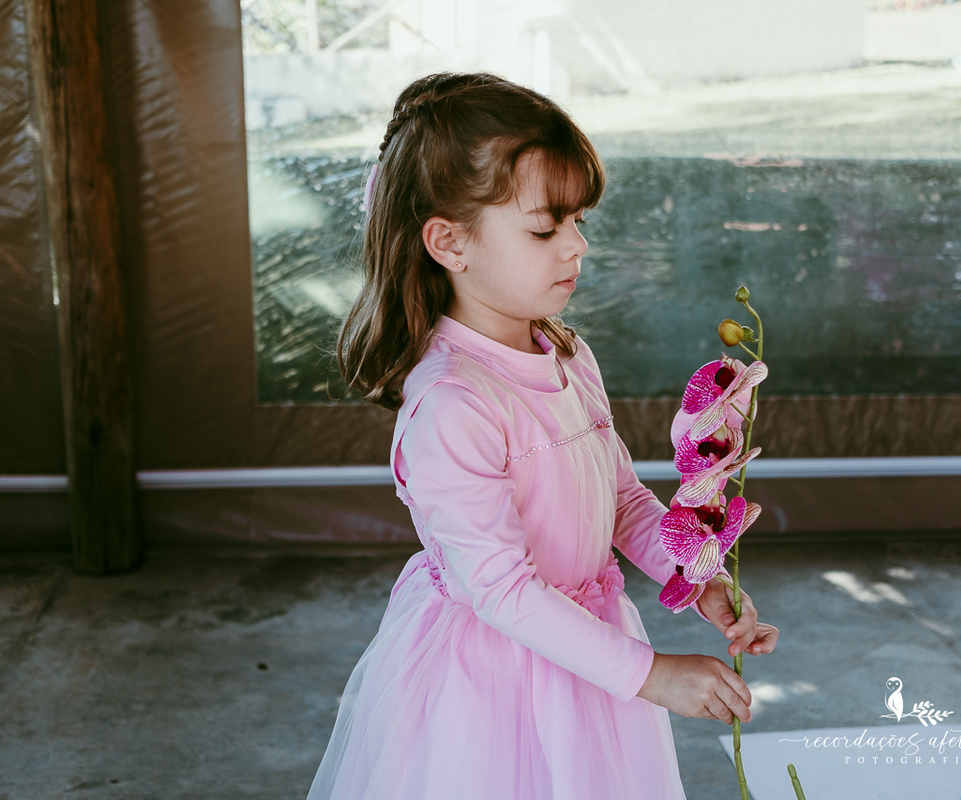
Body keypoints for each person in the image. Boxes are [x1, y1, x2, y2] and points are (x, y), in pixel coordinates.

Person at [309, 72, 779, 799]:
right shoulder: (452, 404)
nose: (577, 246)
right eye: (545, 228)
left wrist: (695, 577)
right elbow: (499, 590)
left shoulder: (565, 353)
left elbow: (619, 499)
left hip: (588, 660)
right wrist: (651, 674)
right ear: (450, 242)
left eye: (579, 220)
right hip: (493, 681)